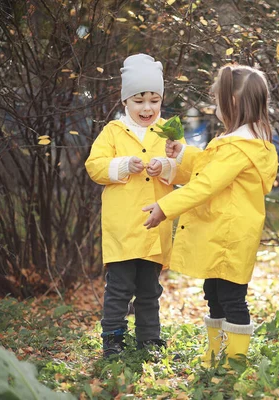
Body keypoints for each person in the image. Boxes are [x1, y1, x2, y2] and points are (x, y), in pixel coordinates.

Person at [142, 63, 278, 366]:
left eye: (217, 100)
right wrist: (183, 154)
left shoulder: (238, 148)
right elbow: (208, 168)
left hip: (228, 237)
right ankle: (217, 353)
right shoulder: (240, 144)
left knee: (231, 299)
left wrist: (165, 207)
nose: (214, 105)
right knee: (214, 294)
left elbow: (205, 184)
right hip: (223, 234)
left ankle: (235, 358)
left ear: (232, 104)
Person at [85, 54, 189, 358]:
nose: (147, 108)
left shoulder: (170, 129)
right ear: (125, 101)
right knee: (118, 288)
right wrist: (122, 165)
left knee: (149, 289)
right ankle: (113, 341)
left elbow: (186, 168)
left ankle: (149, 340)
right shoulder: (113, 132)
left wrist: (167, 166)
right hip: (122, 226)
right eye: (139, 100)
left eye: (154, 100)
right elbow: (95, 166)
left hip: (155, 227)